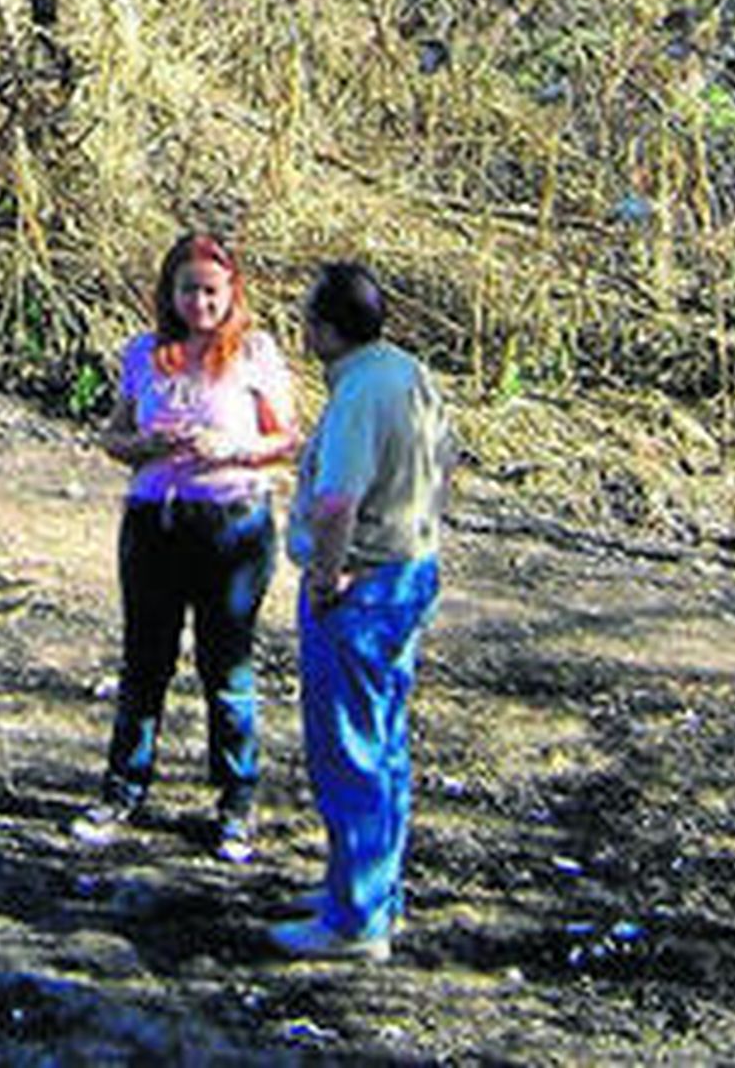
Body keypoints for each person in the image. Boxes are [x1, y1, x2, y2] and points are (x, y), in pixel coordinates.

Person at [72, 232, 300, 864]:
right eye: (187, 290)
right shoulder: (144, 353)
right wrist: (143, 446)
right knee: (144, 662)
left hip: (232, 522)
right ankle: (122, 789)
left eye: (210, 291)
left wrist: (232, 448)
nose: (199, 303)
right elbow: (114, 435)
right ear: (169, 294)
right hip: (155, 520)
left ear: (232, 293)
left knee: (226, 665)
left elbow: (287, 439)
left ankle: (235, 801)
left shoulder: (254, 352)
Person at [269, 261, 454, 962]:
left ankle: (354, 920)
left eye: (308, 317)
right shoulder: (407, 371)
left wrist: (326, 576)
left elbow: (337, 499)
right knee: (385, 744)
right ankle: (371, 890)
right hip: (409, 570)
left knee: (350, 751)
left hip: (364, 588)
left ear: (324, 328)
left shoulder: (357, 394)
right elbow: (447, 458)